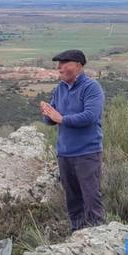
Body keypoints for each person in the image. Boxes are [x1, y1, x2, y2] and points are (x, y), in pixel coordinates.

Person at [40, 49, 106, 232]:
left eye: (64, 63)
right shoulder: (60, 88)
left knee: (91, 197)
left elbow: (90, 117)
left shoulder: (91, 88)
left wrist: (61, 118)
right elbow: (52, 118)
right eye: (58, 64)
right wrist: (47, 114)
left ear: (78, 65)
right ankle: (78, 235)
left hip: (87, 153)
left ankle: (98, 236)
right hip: (65, 154)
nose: (59, 68)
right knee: (73, 200)